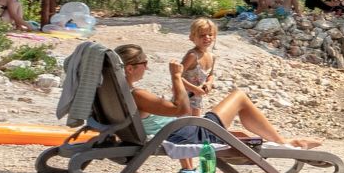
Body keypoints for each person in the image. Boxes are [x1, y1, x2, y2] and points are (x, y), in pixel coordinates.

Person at [111, 44, 319, 150]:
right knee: (239, 96)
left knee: (238, 135)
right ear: (130, 69)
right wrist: (176, 76)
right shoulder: (137, 95)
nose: (147, 67)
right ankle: (284, 143)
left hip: (176, 132)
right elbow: (182, 110)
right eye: (144, 63)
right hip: (183, 135)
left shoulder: (111, 93)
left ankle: (290, 143)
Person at [180, 17, 220, 103]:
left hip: (197, 97)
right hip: (184, 97)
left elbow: (211, 74)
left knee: (196, 115)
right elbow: (177, 76)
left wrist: (209, 83)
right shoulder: (192, 56)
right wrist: (194, 89)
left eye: (210, 34)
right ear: (192, 37)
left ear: (214, 36)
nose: (206, 37)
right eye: (202, 35)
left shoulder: (212, 56)